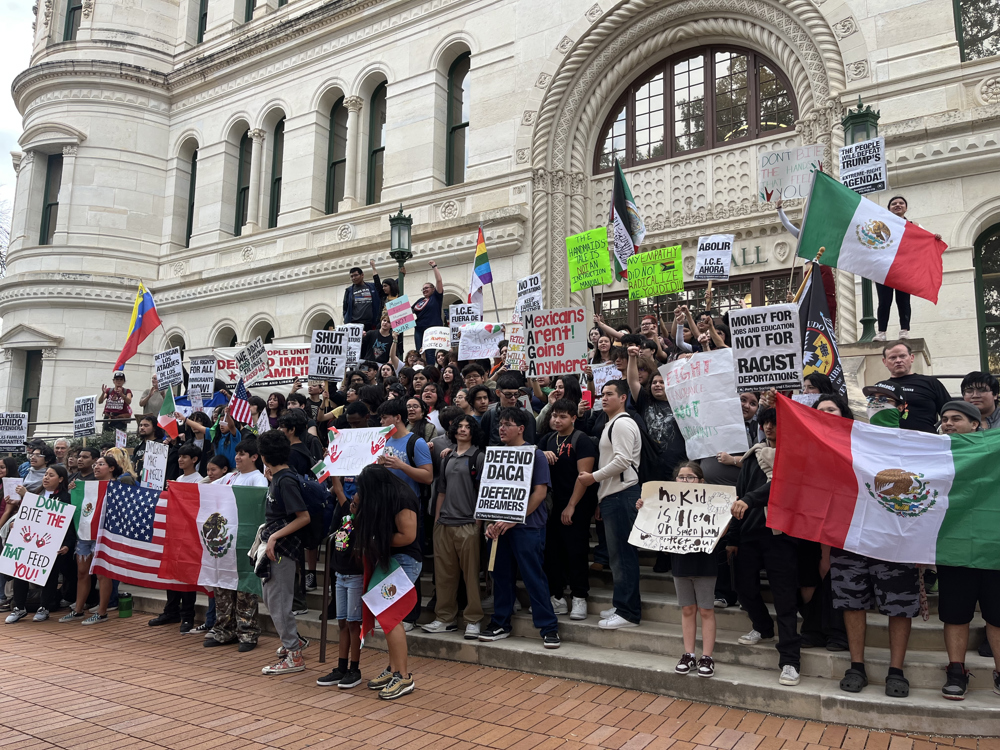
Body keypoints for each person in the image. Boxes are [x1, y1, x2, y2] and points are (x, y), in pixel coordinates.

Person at [728, 407, 802, 687]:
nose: (769, 428)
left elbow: (781, 485)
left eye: (775, 423)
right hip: (749, 534)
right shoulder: (752, 457)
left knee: (785, 599)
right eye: (765, 423)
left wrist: (749, 500)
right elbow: (739, 495)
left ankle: (790, 661)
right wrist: (733, 538)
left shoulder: (793, 456)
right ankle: (762, 626)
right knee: (742, 587)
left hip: (781, 536)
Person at [478, 408, 560, 648]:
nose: (501, 428)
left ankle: (548, 627)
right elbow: (490, 493)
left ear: (521, 429)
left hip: (528, 527)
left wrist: (514, 519)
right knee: (500, 576)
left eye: (507, 424)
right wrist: (490, 522)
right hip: (499, 527)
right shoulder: (495, 454)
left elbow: (540, 493)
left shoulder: (536, 455)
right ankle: (500, 623)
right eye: (500, 424)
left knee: (533, 575)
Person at [935, 400, 1000, 699]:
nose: (948, 423)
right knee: (955, 615)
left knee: (997, 617)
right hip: (954, 548)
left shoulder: (993, 448)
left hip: (994, 550)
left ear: (976, 424)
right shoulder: (933, 453)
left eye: (956, 418)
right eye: (944, 418)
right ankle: (956, 671)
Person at [640, 462, 718, 677]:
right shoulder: (669, 503)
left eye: (690, 477)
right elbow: (652, 521)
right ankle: (689, 654)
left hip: (705, 560)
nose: (685, 481)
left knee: (706, 610)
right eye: (681, 477)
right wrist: (644, 506)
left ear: (701, 481)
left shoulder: (711, 504)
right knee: (687, 609)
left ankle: (707, 657)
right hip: (680, 560)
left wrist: (726, 511)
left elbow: (720, 529)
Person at [578, 381, 642, 630]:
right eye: (602, 394)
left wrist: (593, 478)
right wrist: (601, 496)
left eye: (609, 394)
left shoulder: (622, 423)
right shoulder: (612, 423)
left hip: (622, 495)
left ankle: (628, 613)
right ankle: (622, 605)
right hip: (613, 495)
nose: (603, 398)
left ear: (623, 397)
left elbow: (623, 461)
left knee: (623, 556)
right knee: (617, 556)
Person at [355, 465, 421, 699]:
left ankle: (403, 677)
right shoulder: (387, 494)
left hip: (404, 560)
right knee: (387, 617)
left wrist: (377, 539)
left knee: (391, 617)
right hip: (389, 560)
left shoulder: (402, 498)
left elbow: (408, 535)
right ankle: (394, 669)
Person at [423, 414, 485, 638]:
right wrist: (437, 521)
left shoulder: (479, 456)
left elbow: (483, 492)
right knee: (444, 576)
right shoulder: (446, 457)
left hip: (468, 523)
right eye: (459, 426)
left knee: (471, 577)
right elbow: (441, 491)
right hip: (444, 524)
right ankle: (444, 618)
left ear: (473, 431)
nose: (463, 429)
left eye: (468, 426)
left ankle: (473, 619)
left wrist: (477, 523)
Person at [206, 438, 268, 651]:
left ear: (254, 457)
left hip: (245, 541)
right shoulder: (231, 476)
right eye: (237, 453)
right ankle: (224, 630)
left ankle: (248, 633)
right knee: (223, 584)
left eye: (242, 454)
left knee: (244, 588)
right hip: (225, 540)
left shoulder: (258, 480)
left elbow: (257, 507)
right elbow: (207, 490)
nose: (237, 457)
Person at [259, 430, 312, 675]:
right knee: (272, 598)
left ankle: (294, 655)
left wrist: (274, 537)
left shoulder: (286, 480)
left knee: (278, 601)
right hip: (278, 546)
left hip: (282, 548)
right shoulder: (279, 478)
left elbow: (303, 517)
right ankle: (293, 641)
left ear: (263, 456)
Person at [541, 399, 598, 622]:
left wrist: (571, 505)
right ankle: (557, 597)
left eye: (563, 416)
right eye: (555, 415)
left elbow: (584, 477)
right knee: (552, 553)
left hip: (577, 504)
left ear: (574, 418)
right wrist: (541, 454)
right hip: (551, 506)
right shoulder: (547, 439)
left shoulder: (582, 440)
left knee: (576, 552)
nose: (557, 420)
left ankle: (579, 597)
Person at [316, 448, 365, 689]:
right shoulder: (346, 512)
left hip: (355, 577)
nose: (352, 502)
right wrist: (332, 461)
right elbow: (337, 488)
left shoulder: (366, 523)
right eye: (352, 500)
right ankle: (341, 666)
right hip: (340, 575)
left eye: (356, 501)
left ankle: (355, 669)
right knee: (342, 622)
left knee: (354, 623)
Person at [5, 465, 76, 624]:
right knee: (20, 572)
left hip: (51, 544)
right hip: (28, 542)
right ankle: (19, 607)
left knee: (49, 575)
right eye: (45, 474)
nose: (46, 478)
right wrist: (16, 524)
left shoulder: (65, 498)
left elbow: (69, 524)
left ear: (61, 479)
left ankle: (44, 607)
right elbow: (27, 516)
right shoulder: (37, 494)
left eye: (51, 475)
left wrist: (67, 544)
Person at [871, 195, 942, 340]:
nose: (898, 205)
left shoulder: (913, 225)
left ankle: (904, 331)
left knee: (903, 300)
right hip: (885, 269)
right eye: (894, 203)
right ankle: (881, 332)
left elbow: (926, 238)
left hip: (904, 269)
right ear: (889, 208)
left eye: (901, 203)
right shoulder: (882, 225)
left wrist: (935, 238)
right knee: (884, 301)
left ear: (906, 208)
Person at [775, 197, 838, 326]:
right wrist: (779, 209)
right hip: (809, 273)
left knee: (828, 303)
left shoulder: (825, 234)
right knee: (809, 303)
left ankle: (828, 330)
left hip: (823, 271)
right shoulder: (802, 235)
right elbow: (787, 224)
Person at [876, 341, 951, 433]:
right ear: (885, 362)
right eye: (893, 357)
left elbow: (951, 412)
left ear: (911, 358)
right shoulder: (880, 387)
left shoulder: (931, 382)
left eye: (902, 356)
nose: (898, 360)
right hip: (891, 439)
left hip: (926, 439)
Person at [479, 372, 537, 447]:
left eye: (516, 394)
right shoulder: (489, 415)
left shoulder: (527, 416)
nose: (513, 398)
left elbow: (530, 445)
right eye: (508, 394)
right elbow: (483, 443)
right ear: (498, 393)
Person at [411, 261, 444, 355]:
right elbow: (408, 312)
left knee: (429, 353)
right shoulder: (420, 300)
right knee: (419, 353)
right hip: (419, 329)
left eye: (427, 288)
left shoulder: (436, 297)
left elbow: (439, 281)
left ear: (433, 289)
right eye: (423, 289)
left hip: (432, 329)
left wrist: (434, 266)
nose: (424, 290)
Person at [342, 263, 383, 331]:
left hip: (371, 324)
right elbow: (345, 308)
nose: (353, 278)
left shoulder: (372, 287)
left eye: (356, 275)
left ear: (362, 275)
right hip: (355, 324)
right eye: (351, 276)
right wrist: (346, 319)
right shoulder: (349, 291)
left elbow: (382, 289)